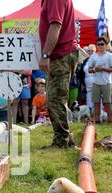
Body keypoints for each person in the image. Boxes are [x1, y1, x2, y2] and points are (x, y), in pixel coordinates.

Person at [39, 0, 78, 148]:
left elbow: (55, 25)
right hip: (61, 54)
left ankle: (62, 141)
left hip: (60, 55)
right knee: (57, 100)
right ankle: (66, 138)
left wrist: (45, 55)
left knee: (55, 101)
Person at [88, 37, 112, 123]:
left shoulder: (109, 55)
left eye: (102, 44)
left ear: (106, 45)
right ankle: (97, 120)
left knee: (107, 103)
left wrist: (103, 68)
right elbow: (89, 69)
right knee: (96, 103)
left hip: (106, 82)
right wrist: (94, 69)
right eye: (98, 44)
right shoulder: (93, 56)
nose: (100, 46)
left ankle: (110, 120)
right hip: (96, 82)